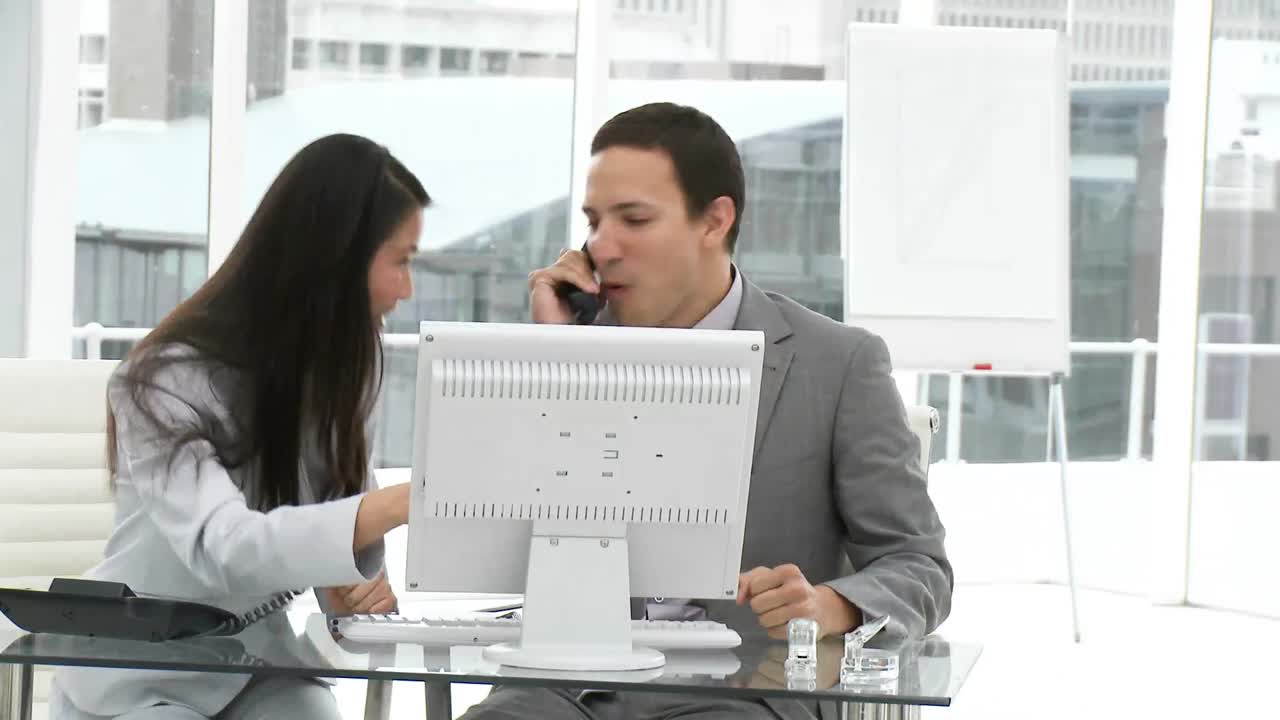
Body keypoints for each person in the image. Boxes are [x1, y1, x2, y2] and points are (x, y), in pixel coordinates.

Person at [462, 103, 952, 719]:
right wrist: (557, 352)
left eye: (633, 220)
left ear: (715, 220)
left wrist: (832, 605)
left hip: (741, 692)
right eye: (593, 221)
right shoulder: (571, 347)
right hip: (565, 687)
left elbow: (920, 566)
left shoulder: (839, 364)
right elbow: (501, 535)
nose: (600, 247)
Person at [50, 133, 428, 720]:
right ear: (339, 261)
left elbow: (333, 520)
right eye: (400, 261)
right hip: (137, 677)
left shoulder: (353, 366)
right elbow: (226, 550)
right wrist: (410, 500)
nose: (408, 288)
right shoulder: (161, 382)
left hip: (253, 666)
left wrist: (346, 587)